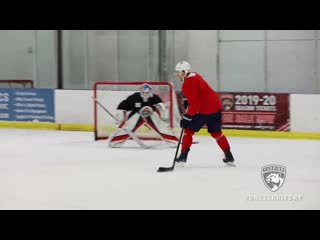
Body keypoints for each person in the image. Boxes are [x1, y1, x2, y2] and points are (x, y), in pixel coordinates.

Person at [174, 61, 235, 165]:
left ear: (184, 72)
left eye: (178, 72)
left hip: (203, 111)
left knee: (188, 131)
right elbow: (198, 93)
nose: (177, 74)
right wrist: (188, 101)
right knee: (217, 133)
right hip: (215, 108)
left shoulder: (187, 84)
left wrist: (187, 117)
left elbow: (195, 105)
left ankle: (183, 156)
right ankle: (229, 155)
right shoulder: (195, 75)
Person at [109, 83, 178, 147]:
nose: (145, 94)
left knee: (161, 126)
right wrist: (120, 116)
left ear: (150, 92)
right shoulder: (134, 97)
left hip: (151, 114)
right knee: (129, 127)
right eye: (143, 92)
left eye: (147, 92)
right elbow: (123, 105)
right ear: (140, 91)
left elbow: (162, 108)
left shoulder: (155, 97)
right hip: (136, 114)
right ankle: (115, 141)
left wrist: (163, 113)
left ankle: (173, 141)